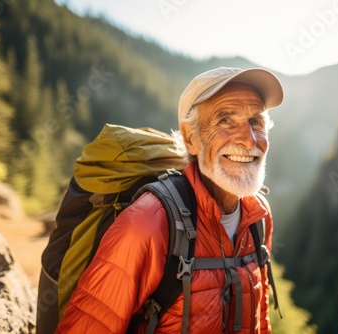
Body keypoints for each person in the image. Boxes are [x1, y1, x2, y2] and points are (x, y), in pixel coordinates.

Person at [56, 67, 284, 333]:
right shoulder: (147, 223)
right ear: (190, 138)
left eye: (256, 121)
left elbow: (260, 315)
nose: (249, 140)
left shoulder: (259, 216)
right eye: (225, 120)